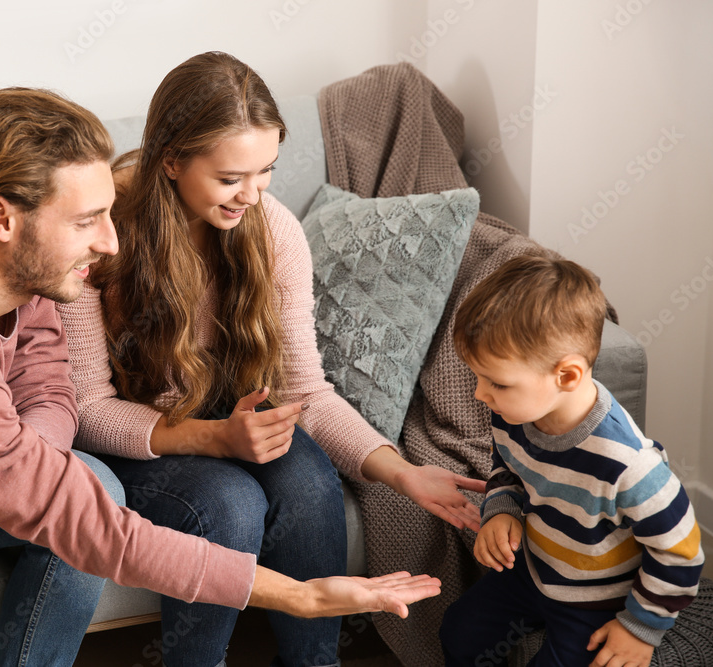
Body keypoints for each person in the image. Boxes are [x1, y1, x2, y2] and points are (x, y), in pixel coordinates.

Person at [0, 87, 443, 665]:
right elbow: (93, 526)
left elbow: (51, 397)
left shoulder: (5, 263)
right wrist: (297, 596)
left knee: (91, 480)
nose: (110, 241)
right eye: (88, 220)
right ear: (2, 216)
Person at [57, 52, 484, 667]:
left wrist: (401, 471)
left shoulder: (271, 229)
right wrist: (211, 438)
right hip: (128, 433)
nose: (253, 195)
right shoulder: (102, 236)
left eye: (267, 172)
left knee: (309, 483)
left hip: (220, 416)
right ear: (171, 161)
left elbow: (305, 391)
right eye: (232, 177)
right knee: (229, 504)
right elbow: (86, 408)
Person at [439, 254, 704, 666]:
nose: (480, 394)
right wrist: (502, 510)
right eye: (478, 377)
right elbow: (507, 466)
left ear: (567, 376)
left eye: (496, 382)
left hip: (599, 600)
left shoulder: (628, 465)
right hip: (533, 570)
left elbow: (681, 551)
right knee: (458, 631)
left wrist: (640, 628)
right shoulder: (512, 414)